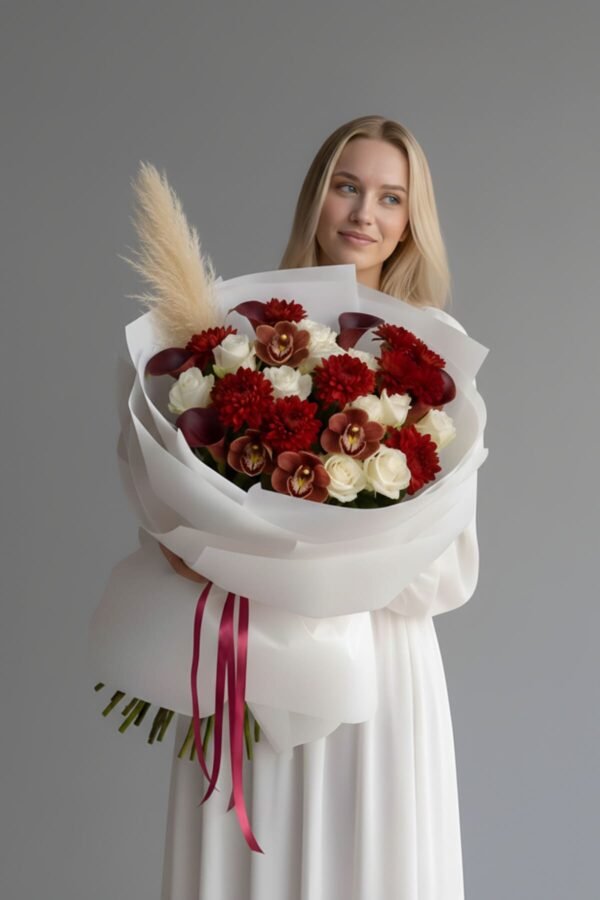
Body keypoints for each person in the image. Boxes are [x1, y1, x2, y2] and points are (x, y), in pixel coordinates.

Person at [159, 115, 480, 900]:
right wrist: (209, 535)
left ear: (410, 222)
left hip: (380, 661)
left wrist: (336, 556)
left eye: (390, 197)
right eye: (347, 186)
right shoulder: (238, 335)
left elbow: (448, 572)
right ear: (317, 196)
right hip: (258, 650)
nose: (364, 213)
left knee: (370, 860)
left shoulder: (436, 357)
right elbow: (178, 509)